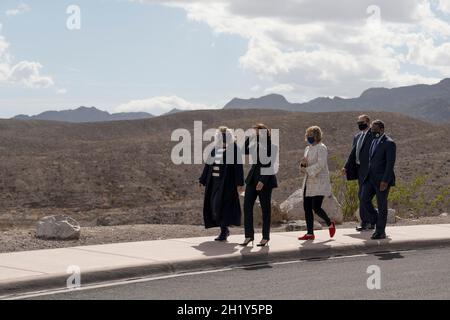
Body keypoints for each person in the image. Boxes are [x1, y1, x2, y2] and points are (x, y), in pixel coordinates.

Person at [199, 126, 245, 241]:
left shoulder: (234, 149)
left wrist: (240, 183)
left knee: (222, 206)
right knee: (214, 205)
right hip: (214, 182)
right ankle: (224, 229)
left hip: (228, 183)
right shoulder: (215, 148)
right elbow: (208, 165)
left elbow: (238, 167)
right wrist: (202, 179)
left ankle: (224, 231)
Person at [240, 123, 278, 247]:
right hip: (252, 180)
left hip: (265, 181)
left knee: (265, 210)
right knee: (247, 207)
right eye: (254, 132)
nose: (255, 133)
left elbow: (270, 165)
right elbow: (242, 150)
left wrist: (262, 181)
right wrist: (249, 138)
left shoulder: (272, 146)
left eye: (257, 132)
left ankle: (265, 237)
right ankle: (249, 236)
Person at [298, 126, 336, 241]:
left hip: (319, 181)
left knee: (316, 207)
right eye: (307, 135)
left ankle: (330, 223)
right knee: (307, 207)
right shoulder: (307, 148)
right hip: (308, 181)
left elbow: (321, 164)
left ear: (316, 135)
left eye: (310, 135)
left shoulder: (321, 148)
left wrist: (308, 170)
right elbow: (305, 162)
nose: (308, 137)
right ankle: (310, 233)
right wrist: (302, 166)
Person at [360, 120, 396, 240]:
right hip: (370, 178)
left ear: (382, 129)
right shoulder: (373, 141)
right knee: (364, 199)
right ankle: (376, 219)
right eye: (372, 130)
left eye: (375, 130)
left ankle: (381, 231)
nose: (373, 132)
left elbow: (390, 164)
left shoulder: (389, 143)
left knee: (382, 205)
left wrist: (385, 181)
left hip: (382, 180)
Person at [342, 114, 376, 231]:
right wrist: (346, 167)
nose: (359, 124)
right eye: (358, 123)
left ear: (368, 122)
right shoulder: (357, 137)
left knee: (364, 196)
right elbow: (353, 153)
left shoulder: (373, 135)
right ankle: (367, 221)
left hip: (370, 171)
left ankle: (370, 220)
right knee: (361, 196)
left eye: (361, 122)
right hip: (360, 170)